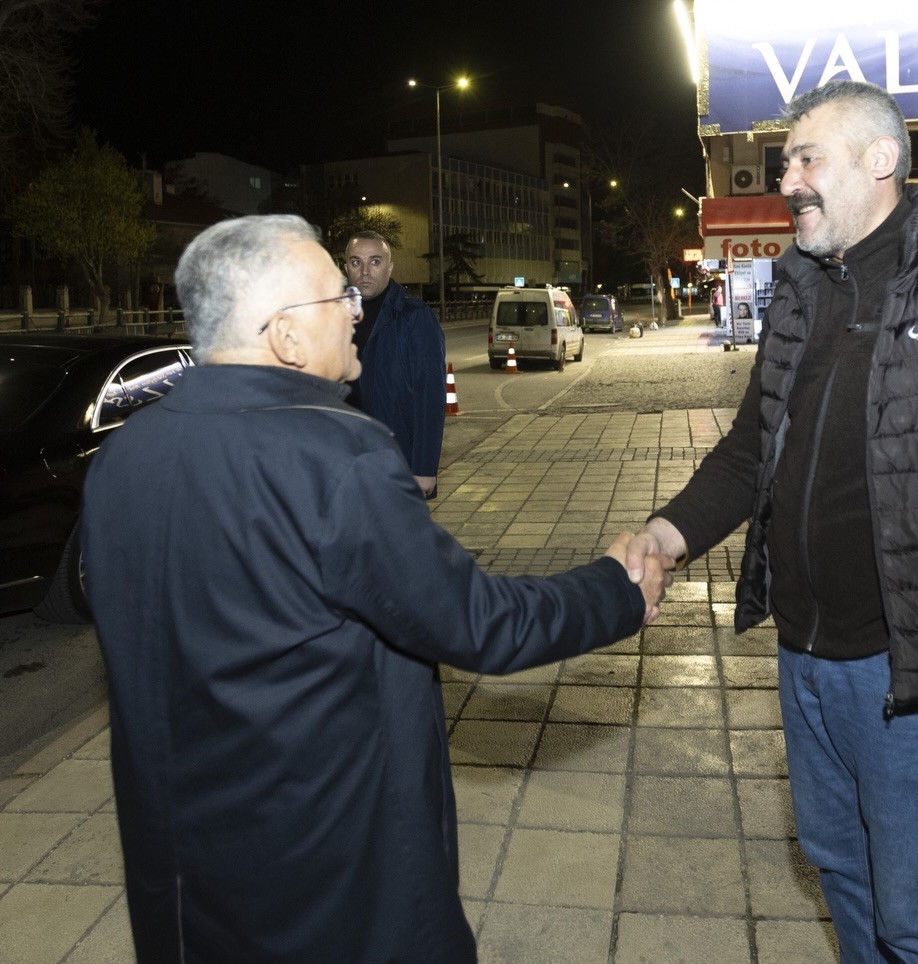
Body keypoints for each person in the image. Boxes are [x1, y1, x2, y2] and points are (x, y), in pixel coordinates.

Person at [81, 215, 671, 963]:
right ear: (286, 335)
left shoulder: (123, 457)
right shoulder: (337, 456)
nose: (358, 307)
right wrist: (615, 590)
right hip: (331, 869)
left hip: (185, 868)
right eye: (339, 297)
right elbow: (476, 623)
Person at [624, 80, 918, 962]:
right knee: (840, 870)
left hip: (914, 676)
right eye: (785, 163)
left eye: (808, 159)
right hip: (805, 658)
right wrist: (665, 533)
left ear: (881, 161)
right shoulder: (802, 287)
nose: (789, 181)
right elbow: (753, 444)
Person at [342, 230, 445, 497]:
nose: (365, 271)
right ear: (345, 268)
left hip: (396, 461)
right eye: (356, 262)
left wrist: (424, 468)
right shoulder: (331, 316)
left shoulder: (414, 317)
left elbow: (430, 396)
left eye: (375, 261)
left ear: (390, 267)